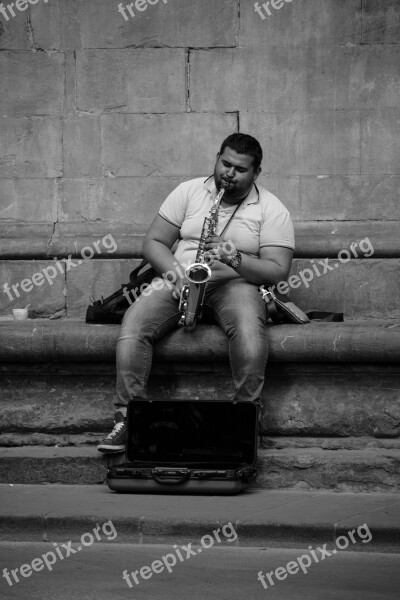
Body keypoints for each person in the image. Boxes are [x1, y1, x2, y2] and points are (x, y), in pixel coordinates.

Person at [97, 133, 294, 453]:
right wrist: (176, 277)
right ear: (217, 158)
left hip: (235, 283)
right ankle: (126, 416)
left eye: (240, 169)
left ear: (256, 173)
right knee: (133, 325)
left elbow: (278, 270)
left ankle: (246, 416)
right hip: (181, 277)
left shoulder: (271, 209)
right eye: (225, 163)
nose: (229, 173)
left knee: (247, 328)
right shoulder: (188, 192)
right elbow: (154, 243)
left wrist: (234, 257)